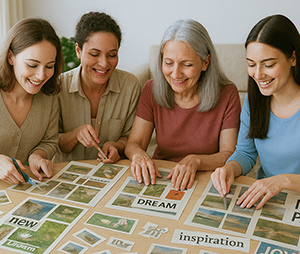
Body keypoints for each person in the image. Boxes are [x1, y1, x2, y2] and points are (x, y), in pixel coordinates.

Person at [125, 18, 241, 190]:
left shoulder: (228, 94)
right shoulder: (151, 89)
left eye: (187, 64)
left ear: (205, 63)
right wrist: (138, 155)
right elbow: (134, 143)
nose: (176, 74)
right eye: (169, 63)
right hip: (161, 176)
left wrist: (196, 160)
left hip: (206, 177)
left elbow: (228, 153)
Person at [211, 14, 300, 210]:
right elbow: (245, 152)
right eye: (251, 64)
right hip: (268, 201)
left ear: (293, 58)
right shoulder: (255, 101)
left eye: (268, 65)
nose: (258, 75)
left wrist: (282, 181)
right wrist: (229, 168)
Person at [54, 12, 141, 163]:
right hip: (67, 174)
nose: (104, 63)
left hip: (112, 174)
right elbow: (52, 143)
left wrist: (116, 146)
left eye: (112, 55)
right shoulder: (59, 87)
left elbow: (132, 138)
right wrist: (76, 134)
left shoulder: (130, 86)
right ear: (78, 51)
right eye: (95, 54)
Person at [0, 17, 64, 185]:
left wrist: (37, 156)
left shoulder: (49, 97)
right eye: (32, 65)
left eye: (49, 66)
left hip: (21, 192)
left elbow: (50, 141)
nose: (41, 76)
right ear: (10, 57)